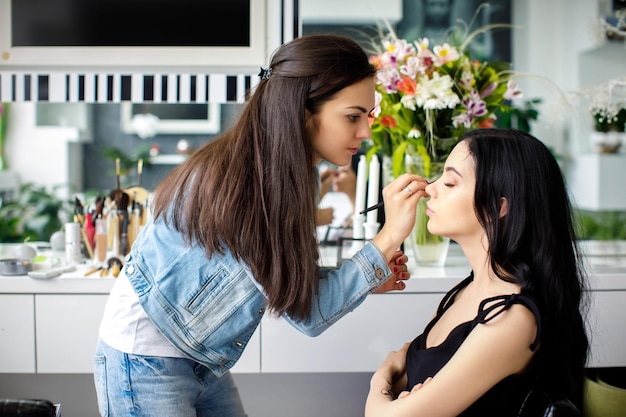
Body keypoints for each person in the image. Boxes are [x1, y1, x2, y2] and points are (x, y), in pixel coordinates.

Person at [93, 34, 428, 417]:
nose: (366, 132)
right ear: (304, 113)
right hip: (146, 360)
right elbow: (310, 316)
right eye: (353, 116)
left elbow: (284, 279)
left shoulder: (282, 172)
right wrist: (387, 238)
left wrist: (365, 276)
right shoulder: (254, 184)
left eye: (367, 117)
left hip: (197, 355)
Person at [365, 128, 589, 416]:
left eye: (449, 182)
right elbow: (408, 372)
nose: (430, 188)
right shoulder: (465, 291)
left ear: (497, 207)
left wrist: (380, 379)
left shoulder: (511, 319)